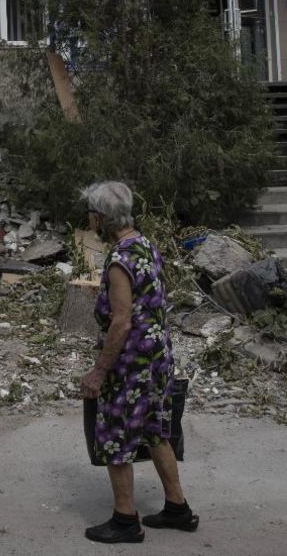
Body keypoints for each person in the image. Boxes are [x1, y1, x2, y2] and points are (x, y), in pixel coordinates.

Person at [79, 181, 199, 544]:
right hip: (158, 359)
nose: (89, 219)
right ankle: (178, 508)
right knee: (154, 431)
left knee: (115, 437)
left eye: (91, 213)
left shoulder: (119, 261)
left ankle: (125, 520)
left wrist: (99, 371)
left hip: (130, 365)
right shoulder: (145, 245)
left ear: (100, 218)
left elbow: (121, 321)